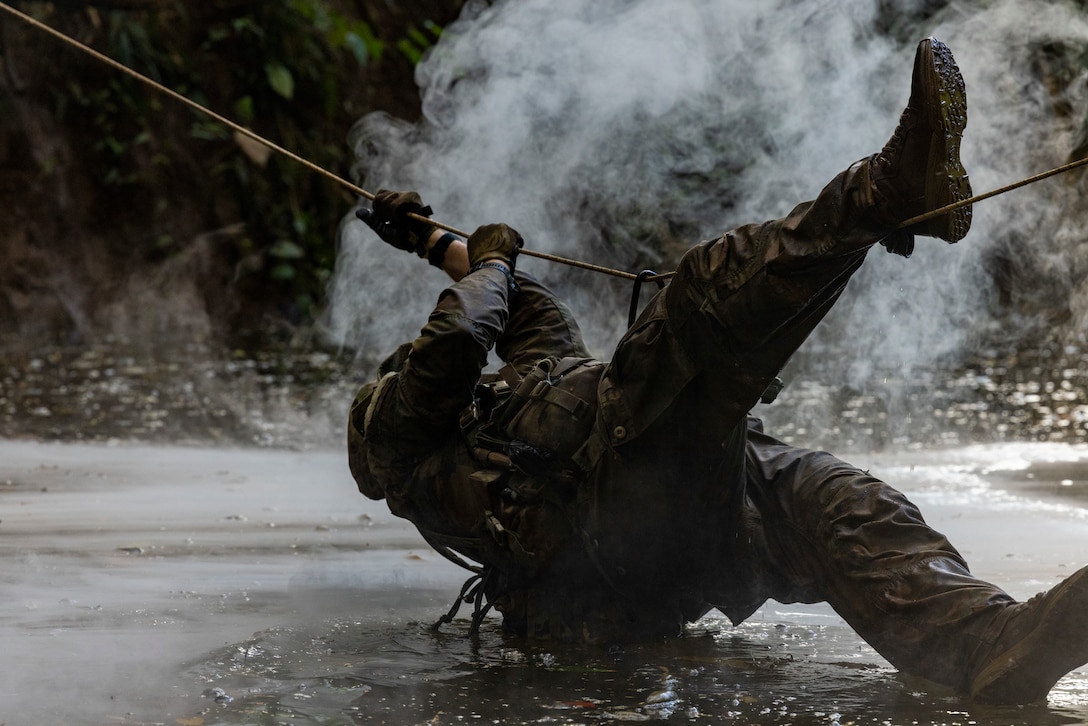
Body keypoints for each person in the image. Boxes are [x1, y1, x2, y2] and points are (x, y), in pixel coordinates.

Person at [346, 38, 1088, 705]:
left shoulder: (511, 387)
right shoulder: (398, 440)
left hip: (692, 511)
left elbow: (516, 305)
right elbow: (460, 334)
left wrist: (428, 239)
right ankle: (885, 192)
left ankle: (987, 643)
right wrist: (490, 264)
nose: (420, 369)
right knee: (702, 301)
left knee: (833, 503)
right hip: (615, 530)